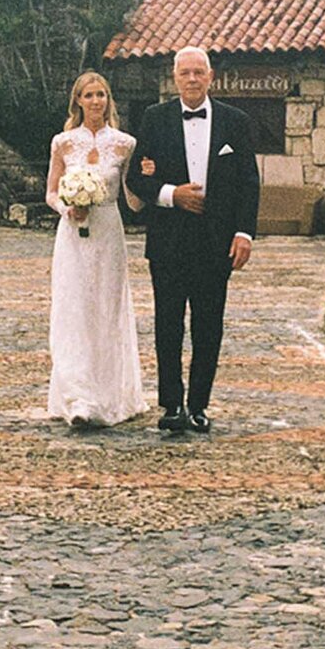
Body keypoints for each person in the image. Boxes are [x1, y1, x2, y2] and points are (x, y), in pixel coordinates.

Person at [127, 47, 260, 433]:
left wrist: (244, 232)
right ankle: (172, 405)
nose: (191, 79)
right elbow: (137, 178)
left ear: (210, 76)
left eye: (198, 72)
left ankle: (199, 405)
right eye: (184, 73)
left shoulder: (235, 122)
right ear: (174, 77)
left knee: (208, 325)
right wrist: (172, 194)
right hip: (168, 241)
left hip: (217, 242)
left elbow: (249, 183)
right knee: (168, 325)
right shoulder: (154, 119)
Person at [44, 71, 147, 429]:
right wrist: (67, 208)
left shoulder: (124, 144)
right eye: (88, 95)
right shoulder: (63, 143)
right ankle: (77, 395)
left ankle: (107, 395)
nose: (96, 101)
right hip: (72, 231)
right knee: (74, 307)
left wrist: (148, 183)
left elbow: (133, 197)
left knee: (106, 305)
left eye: (101, 94)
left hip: (107, 228)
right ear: (78, 101)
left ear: (109, 100)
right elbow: (51, 191)